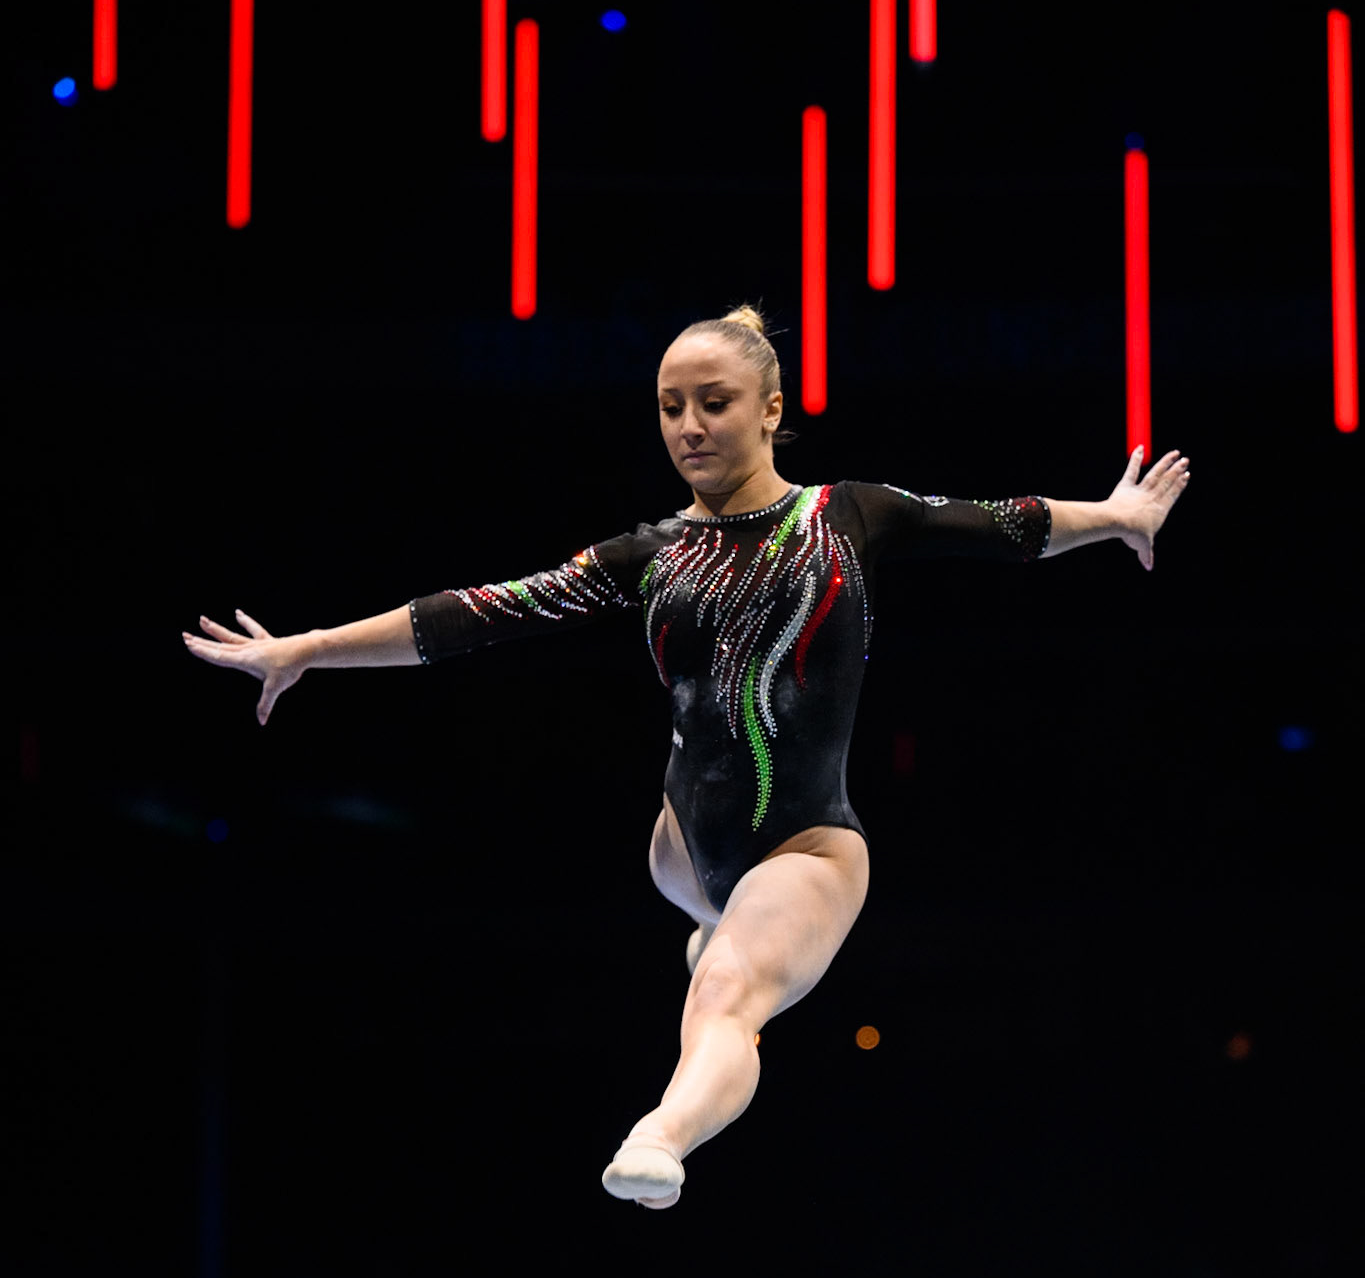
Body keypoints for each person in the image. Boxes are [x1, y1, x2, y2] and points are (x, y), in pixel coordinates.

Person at [184, 305, 1189, 1211]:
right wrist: (307, 648)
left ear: (771, 407)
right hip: (682, 852)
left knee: (724, 999)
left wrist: (1122, 517)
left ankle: (661, 1133)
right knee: (717, 941)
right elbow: (477, 613)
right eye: (671, 407)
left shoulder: (846, 516)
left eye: (714, 402)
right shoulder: (650, 553)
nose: (690, 426)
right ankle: (714, 935)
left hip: (805, 849)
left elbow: (1007, 522)